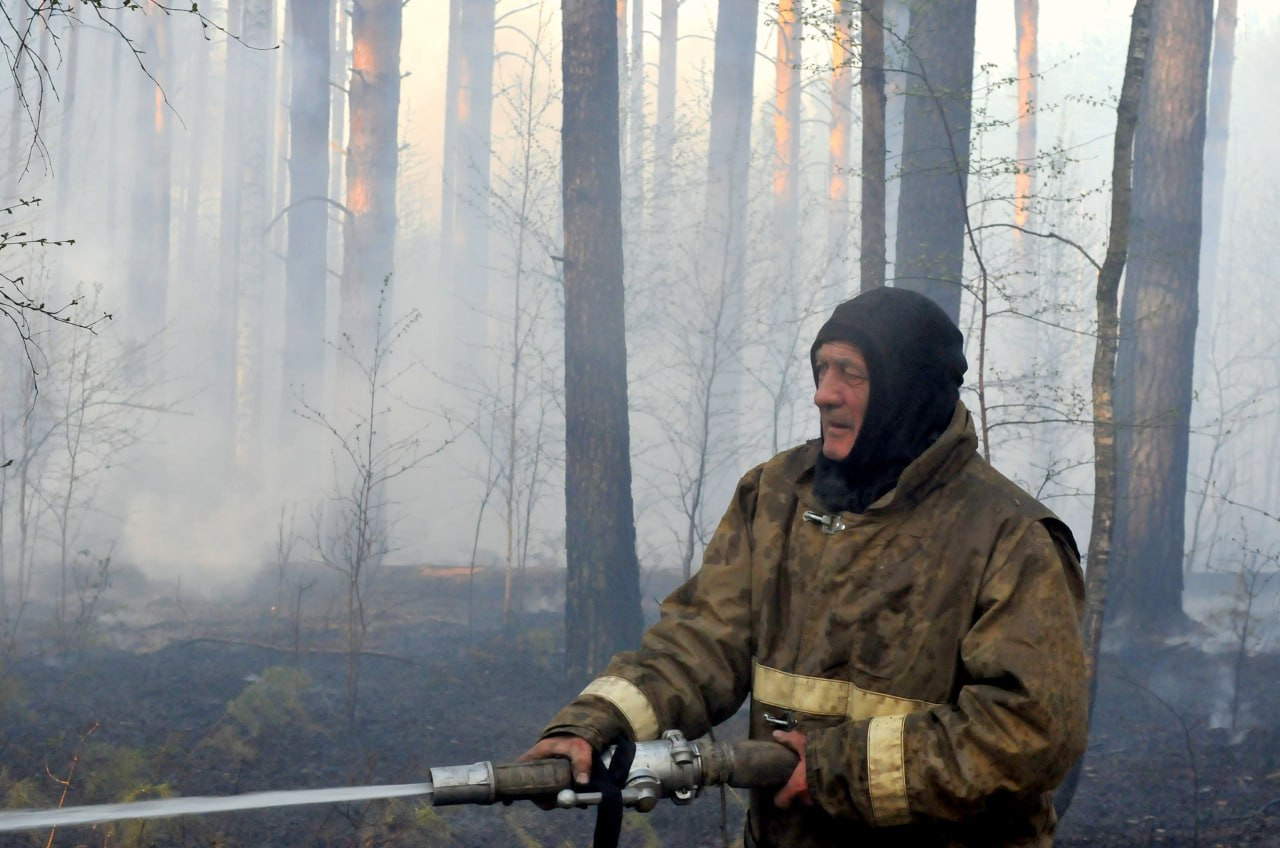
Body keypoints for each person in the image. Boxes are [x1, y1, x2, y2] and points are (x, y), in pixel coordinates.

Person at [523, 287, 1089, 847]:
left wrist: (840, 770)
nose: (824, 394)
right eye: (822, 368)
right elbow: (699, 643)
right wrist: (594, 723)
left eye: (851, 374)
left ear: (909, 391)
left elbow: (1030, 729)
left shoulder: (1010, 537)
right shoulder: (775, 496)